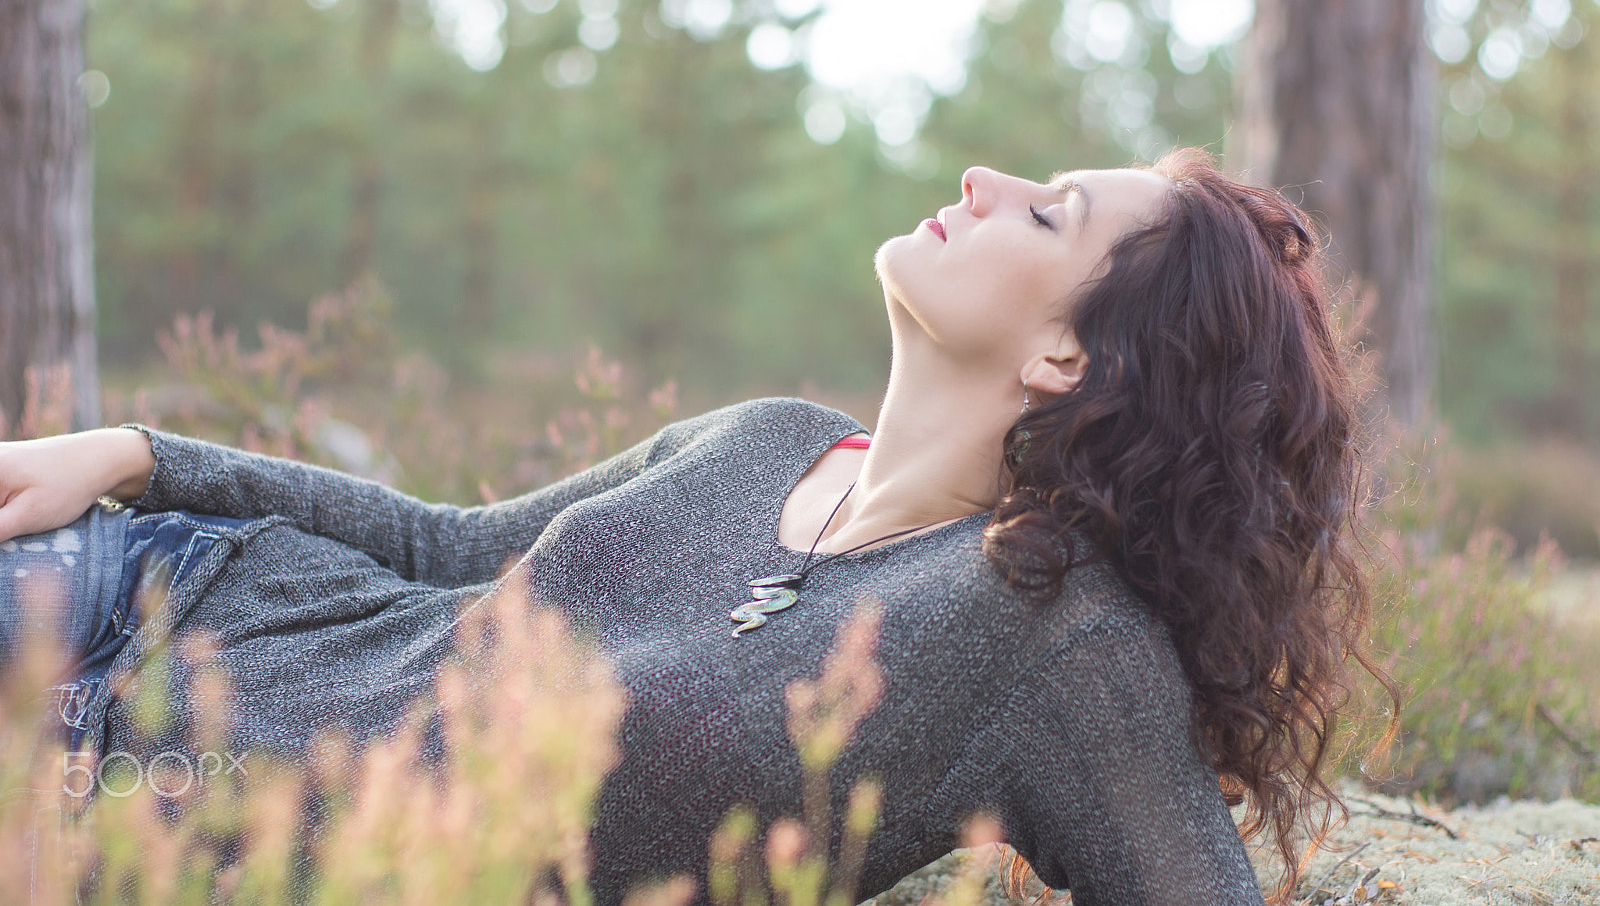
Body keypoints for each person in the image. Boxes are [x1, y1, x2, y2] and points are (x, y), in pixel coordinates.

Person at [0, 150, 1396, 905]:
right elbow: (435, 549)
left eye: (1046, 211)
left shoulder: (1045, 632)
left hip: (124, 825)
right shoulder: (764, 438)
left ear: (1070, 362)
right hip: (153, 597)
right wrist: (134, 455)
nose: (981, 180)